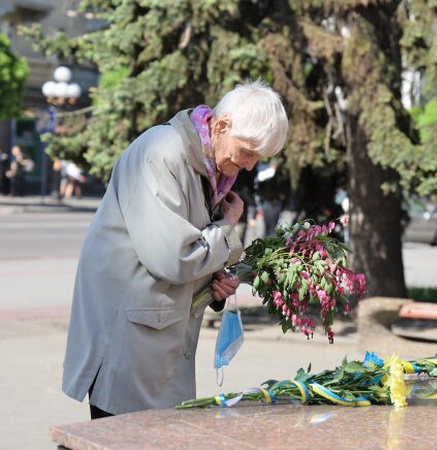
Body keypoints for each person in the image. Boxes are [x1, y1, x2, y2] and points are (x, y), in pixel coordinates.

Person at [61, 80, 289, 419]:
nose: (250, 165)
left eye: (259, 156)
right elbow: (174, 258)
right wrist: (227, 228)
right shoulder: (164, 152)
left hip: (155, 337)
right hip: (128, 338)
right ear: (222, 125)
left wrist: (217, 283)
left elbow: (188, 245)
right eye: (248, 151)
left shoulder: (206, 162)